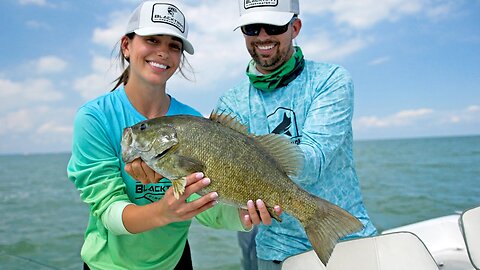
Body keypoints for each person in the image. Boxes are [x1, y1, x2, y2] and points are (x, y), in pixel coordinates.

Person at [67, 1, 278, 269]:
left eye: (174, 46)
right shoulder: (94, 118)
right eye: (152, 40)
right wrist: (162, 212)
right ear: (126, 46)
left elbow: (206, 208)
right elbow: (107, 211)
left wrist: (242, 216)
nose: (163, 52)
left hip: (176, 261)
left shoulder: (193, 120)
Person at [214, 0, 378, 269]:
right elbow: (219, 185)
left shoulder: (331, 79)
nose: (263, 36)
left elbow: (313, 162)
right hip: (276, 250)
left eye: (274, 26)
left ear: (295, 27)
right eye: (252, 28)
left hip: (348, 241)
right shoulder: (230, 103)